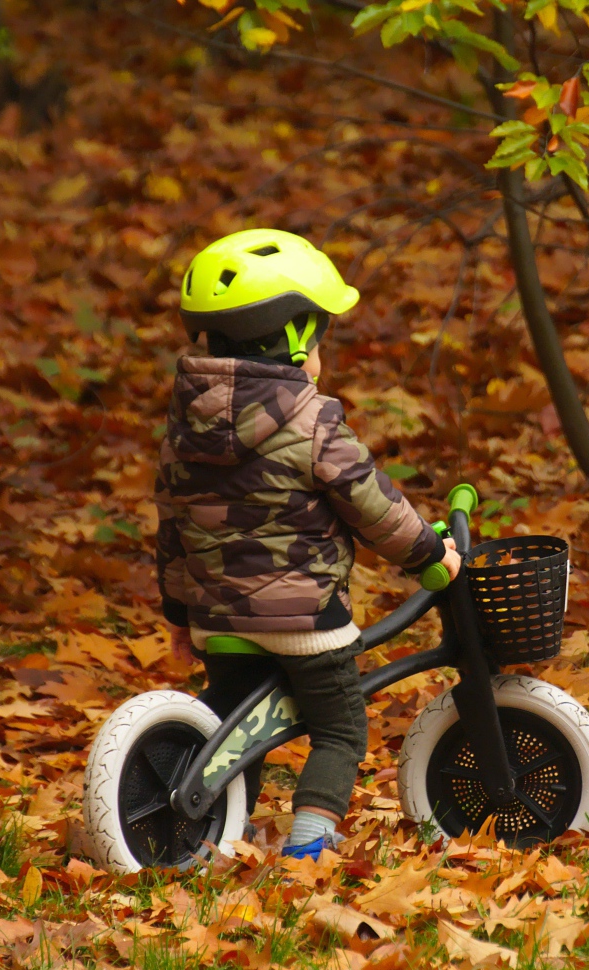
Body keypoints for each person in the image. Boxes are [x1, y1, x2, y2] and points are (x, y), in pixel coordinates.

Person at [153, 229, 461, 860]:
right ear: (294, 338)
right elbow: (371, 503)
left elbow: (172, 526)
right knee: (341, 731)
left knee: (234, 736)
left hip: (221, 620)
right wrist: (430, 554)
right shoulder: (313, 420)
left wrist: (180, 614)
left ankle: (213, 835)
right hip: (305, 621)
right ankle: (310, 843)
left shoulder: (186, 425)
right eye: (320, 332)